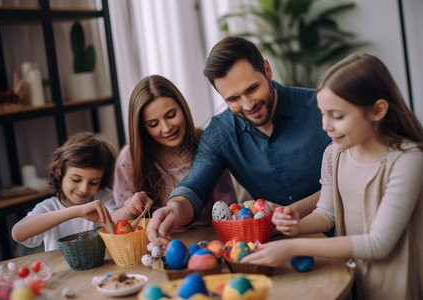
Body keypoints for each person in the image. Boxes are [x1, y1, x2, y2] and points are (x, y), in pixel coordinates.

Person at [242, 54, 423, 299]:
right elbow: (327, 214)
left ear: (378, 110)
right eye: (323, 114)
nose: (326, 125)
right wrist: (296, 227)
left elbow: (379, 243)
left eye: (337, 116)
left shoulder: (407, 161)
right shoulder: (334, 154)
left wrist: (292, 247)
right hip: (351, 280)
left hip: (397, 285)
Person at [147, 36, 331, 245]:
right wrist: (174, 209)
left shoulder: (321, 108)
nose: (248, 105)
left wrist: (296, 211)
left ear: (267, 70)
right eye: (233, 99)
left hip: (338, 237)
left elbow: (352, 177)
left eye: (252, 89)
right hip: (272, 248)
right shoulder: (220, 132)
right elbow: (195, 185)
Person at [112, 75, 236, 228]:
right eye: (153, 124)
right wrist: (130, 209)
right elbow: (117, 222)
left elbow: (228, 209)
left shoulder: (206, 144)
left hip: (210, 240)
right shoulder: (131, 157)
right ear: (142, 128)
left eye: (171, 115)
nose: (166, 128)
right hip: (158, 242)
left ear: (183, 108)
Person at [12, 132, 117, 251]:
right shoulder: (49, 207)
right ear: (58, 171)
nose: (84, 189)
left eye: (94, 182)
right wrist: (78, 211)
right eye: (76, 179)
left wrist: (129, 208)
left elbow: (116, 221)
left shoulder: (103, 195)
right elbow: (17, 233)